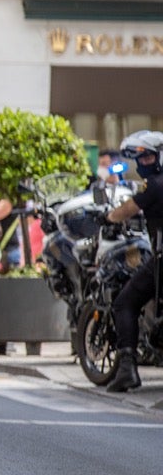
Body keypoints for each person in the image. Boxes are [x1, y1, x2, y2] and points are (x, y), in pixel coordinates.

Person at [102, 130, 163, 393]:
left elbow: (127, 209)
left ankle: (127, 367)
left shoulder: (155, 186)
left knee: (125, 302)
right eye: (141, 158)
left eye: (148, 158)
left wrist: (107, 218)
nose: (142, 164)